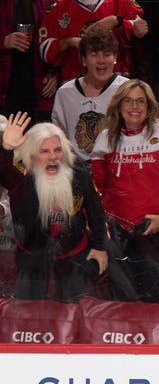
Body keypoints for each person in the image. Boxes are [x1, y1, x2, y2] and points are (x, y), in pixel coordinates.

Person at [90, 78, 159, 302]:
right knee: (124, 301)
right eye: (128, 101)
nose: (134, 107)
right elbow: (96, 191)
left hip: (157, 233)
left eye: (141, 101)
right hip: (117, 234)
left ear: (150, 106)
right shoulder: (104, 139)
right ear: (119, 106)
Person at [0, 113, 108, 300]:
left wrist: (100, 246)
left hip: (73, 252)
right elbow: (3, 172)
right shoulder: (21, 176)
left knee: (70, 308)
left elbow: (96, 212)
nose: (53, 157)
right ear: (31, 156)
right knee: (29, 309)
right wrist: (6, 148)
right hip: (30, 252)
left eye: (58, 150)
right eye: (44, 152)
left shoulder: (79, 173)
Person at [39, 0, 149, 85]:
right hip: (74, 84)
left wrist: (117, 21)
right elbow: (44, 51)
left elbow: (140, 32)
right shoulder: (58, 8)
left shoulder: (123, 1)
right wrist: (70, 42)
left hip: (118, 83)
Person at [0, 0, 62, 119]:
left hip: (38, 93)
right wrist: (4, 42)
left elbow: (63, 43)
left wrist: (55, 73)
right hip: (3, 90)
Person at [50, 29, 129, 159]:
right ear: (84, 60)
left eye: (107, 54)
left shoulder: (126, 90)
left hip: (116, 166)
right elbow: (58, 137)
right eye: (94, 55)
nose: (101, 60)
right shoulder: (64, 93)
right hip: (76, 169)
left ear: (115, 58)